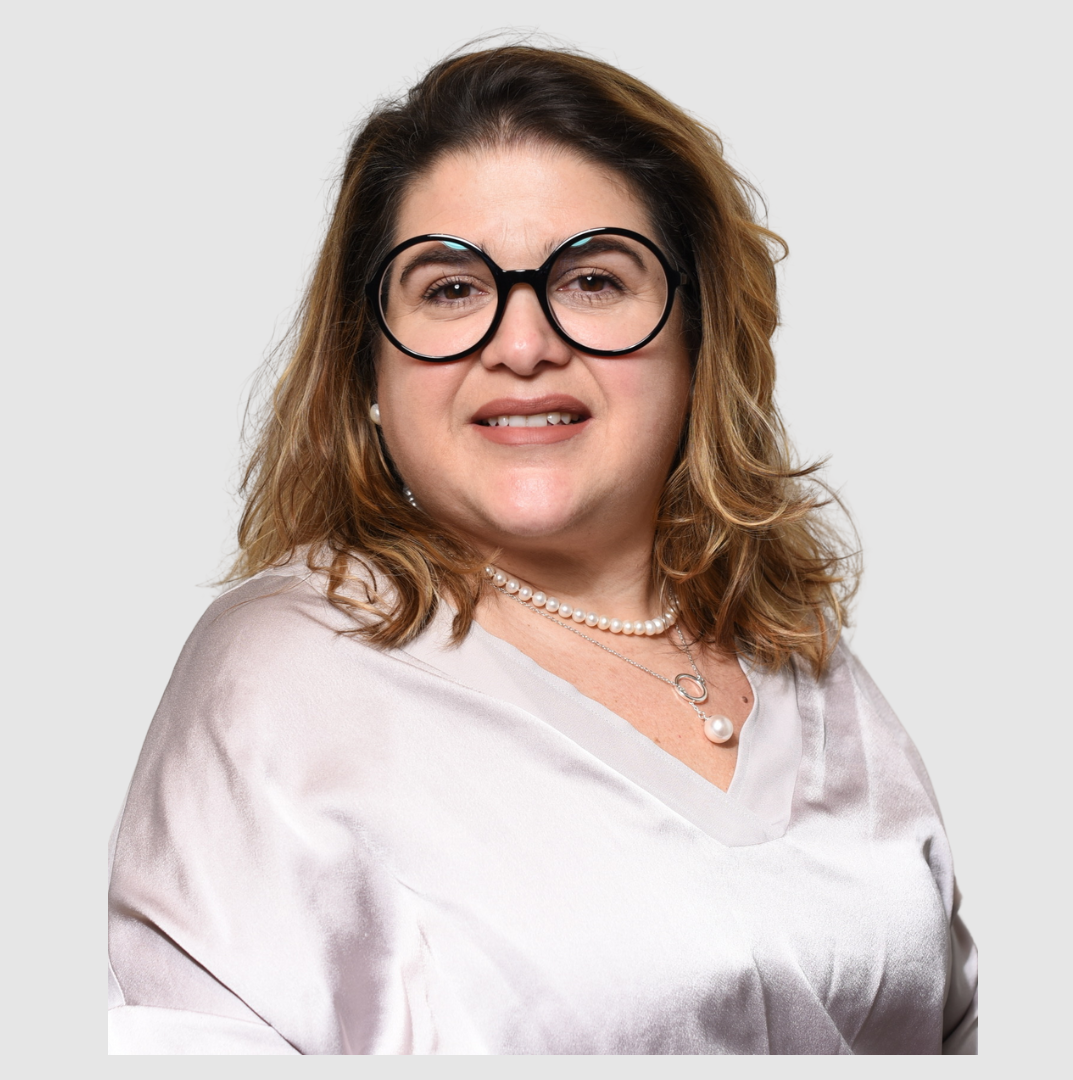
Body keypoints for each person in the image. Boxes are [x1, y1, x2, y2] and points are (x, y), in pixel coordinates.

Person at [107, 44, 977, 1055]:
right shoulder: (282, 675)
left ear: (698, 342)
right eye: (450, 290)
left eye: (594, 280)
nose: (522, 345)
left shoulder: (806, 662)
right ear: (367, 369)